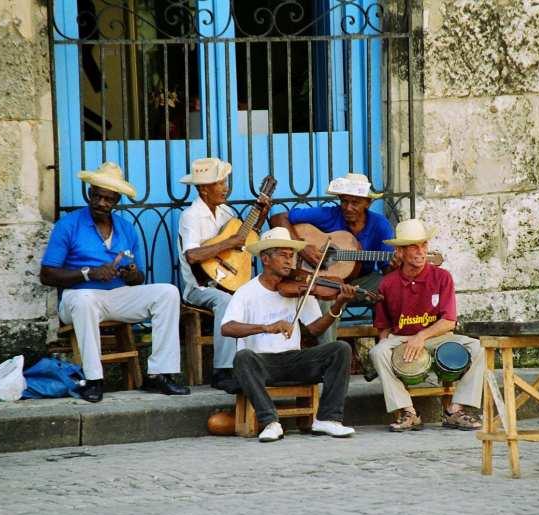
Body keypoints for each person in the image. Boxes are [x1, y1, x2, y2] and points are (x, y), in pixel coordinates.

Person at [40, 162, 190, 403]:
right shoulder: (68, 225)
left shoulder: (125, 228)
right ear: (89, 193)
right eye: (97, 196)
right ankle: (93, 379)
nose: (102, 203)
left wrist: (131, 274)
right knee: (85, 299)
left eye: (108, 199)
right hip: (77, 297)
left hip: (115, 296)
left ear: (116, 200)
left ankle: (159, 374)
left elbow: (138, 277)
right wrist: (89, 273)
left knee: (168, 292)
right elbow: (47, 275)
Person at [221, 227, 358, 442]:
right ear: (266, 259)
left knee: (340, 349)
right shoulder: (246, 292)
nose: (290, 262)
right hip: (262, 363)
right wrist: (265, 327)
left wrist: (338, 304)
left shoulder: (300, 288)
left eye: (292, 256)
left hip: (294, 360)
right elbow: (227, 328)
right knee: (242, 357)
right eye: (283, 256)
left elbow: (315, 329)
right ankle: (270, 422)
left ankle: (328, 419)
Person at [369, 219, 484, 432]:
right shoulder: (387, 283)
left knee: (478, 348)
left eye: (423, 245)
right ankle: (408, 412)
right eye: (413, 246)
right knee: (378, 352)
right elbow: (383, 327)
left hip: (438, 335)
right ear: (400, 252)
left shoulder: (442, 277)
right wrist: (387, 349)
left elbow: (449, 321)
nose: (421, 251)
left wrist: (421, 337)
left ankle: (455, 410)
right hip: (401, 338)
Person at [177, 157, 269, 392]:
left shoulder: (227, 212)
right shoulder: (191, 216)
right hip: (200, 287)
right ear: (203, 189)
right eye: (220, 183)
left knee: (260, 295)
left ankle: (260, 364)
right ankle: (222, 371)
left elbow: (245, 240)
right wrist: (229, 242)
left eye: (225, 182)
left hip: (226, 280)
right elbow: (192, 256)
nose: (226, 188)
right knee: (226, 301)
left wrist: (260, 214)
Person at [269, 173, 397, 342]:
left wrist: (395, 266)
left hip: (361, 280)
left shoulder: (380, 225)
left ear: (368, 202)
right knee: (327, 299)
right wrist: (302, 247)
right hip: (325, 281)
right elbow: (278, 218)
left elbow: (387, 269)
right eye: (344, 201)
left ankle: (388, 345)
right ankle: (329, 352)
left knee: (391, 287)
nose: (348, 207)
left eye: (355, 202)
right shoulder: (328, 214)